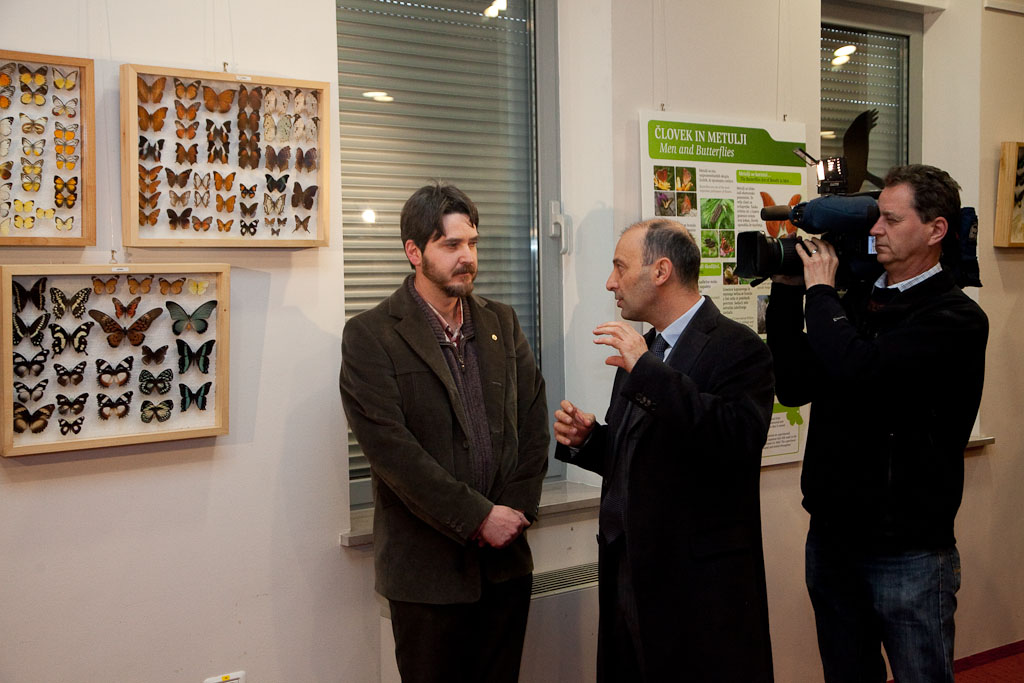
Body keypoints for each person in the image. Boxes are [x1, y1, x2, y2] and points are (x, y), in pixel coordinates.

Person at [765, 164, 988, 683]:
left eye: (890, 219)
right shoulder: (859, 302)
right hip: (832, 539)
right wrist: (787, 291)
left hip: (907, 549)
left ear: (935, 230)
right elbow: (794, 385)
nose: (874, 229)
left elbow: (860, 369)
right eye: (875, 217)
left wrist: (821, 295)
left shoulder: (954, 318)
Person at [339, 182, 549, 683]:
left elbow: (534, 422)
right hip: (426, 578)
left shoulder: (502, 321)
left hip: (505, 568)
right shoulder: (371, 335)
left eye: (472, 243)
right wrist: (479, 518)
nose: (467, 257)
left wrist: (514, 512)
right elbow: (393, 453)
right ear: (414, 252)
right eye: (451, 245)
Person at [553, 219, 775, 682]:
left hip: (695, 589)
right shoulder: (647, 348)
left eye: (619, 267)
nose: (610, 282)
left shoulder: (737, 347)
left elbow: (735, 439)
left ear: (660, 271)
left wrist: (647, 370)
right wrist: (591, 440)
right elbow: (648, 456)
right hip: (629, 574)